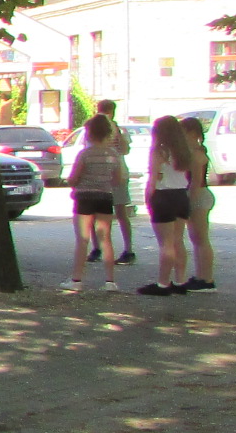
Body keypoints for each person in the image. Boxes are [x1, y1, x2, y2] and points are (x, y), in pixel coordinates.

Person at [59, 114, 126, 294]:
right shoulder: (113, 154)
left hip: (85, 197)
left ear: (89, 133)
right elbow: (118, 180)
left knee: (83, 239)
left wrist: (72, 182)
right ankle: (110, 281)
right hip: (105, 197)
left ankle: (77, 280)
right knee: (105, 238)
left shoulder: (85, 154)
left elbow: (73, 178)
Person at [138, 114, 203, 297]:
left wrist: (148, 198)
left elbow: (153, 179)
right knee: (178, 240)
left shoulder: (159, 152)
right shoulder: (184, 152)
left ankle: (163, 283)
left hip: (163, 195)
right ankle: (180, 281)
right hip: (181, 195)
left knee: (165, 243)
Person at [90, 99, 138, 266]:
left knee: (106, 212)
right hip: (110, 173)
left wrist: (117, 134)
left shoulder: (116, 129)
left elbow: (124, 149)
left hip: (109, 173)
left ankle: (103, 248)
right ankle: (116, 249)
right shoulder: (96, 129)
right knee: (112, 212)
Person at [180, 116, 216, 292]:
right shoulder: (195, 151)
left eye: (184, 132)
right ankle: (200, 276)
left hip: (199, 195)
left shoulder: (196, 154)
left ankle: (207, 279)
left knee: (201, 239)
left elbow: (196, 182)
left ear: (193, 133)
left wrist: (189, 202)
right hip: (199, 194)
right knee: (196, 239)